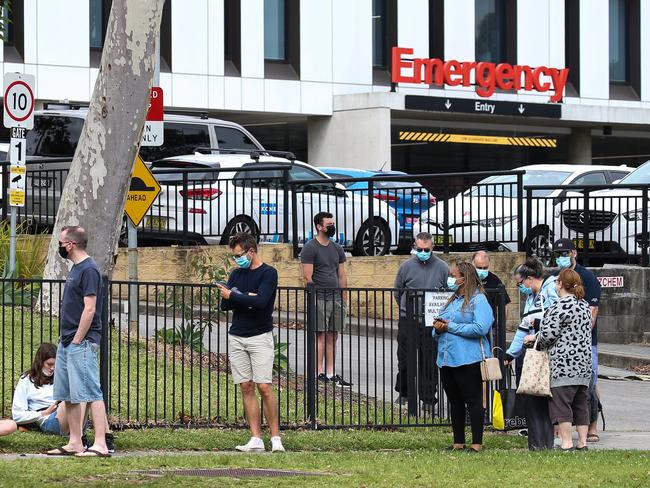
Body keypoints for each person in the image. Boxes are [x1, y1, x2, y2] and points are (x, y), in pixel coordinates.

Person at [47, 226, 111, 457]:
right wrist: (67, 341)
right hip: (67, 341)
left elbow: (90, 308)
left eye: (62, 242)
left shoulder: (89, 270)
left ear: (71, 245)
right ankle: (75, 442)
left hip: (80, 341)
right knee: (70, 394)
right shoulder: (76, 269)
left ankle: (101, 444)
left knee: (91, 391)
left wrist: (77, 340)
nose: (60, 246)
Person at [218, 233, 284, 453]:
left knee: (264, 386)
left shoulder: (268, 273)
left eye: (240, 255)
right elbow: (224, 305)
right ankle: (255, 438)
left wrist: (236, 296)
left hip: (259, 336)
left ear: (252, 251)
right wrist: (245, 297)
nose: (237, 260)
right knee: (246, 386)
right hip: (237, 335)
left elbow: (261, 302)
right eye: (235, 256)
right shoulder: (236, 274)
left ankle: (275, 437)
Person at [527, 269, 593, 451]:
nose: (555, 285)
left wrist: (535, 339)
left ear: (561, 285)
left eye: (557, 282)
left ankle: (566, 443)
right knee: (581, 405)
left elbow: (549, 335)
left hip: (564, 364)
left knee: (561, 405)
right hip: (584, 364)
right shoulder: (585, 305)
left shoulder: (559, 306)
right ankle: (582, 443)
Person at [432, 261, 494, 452]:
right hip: (447, 359)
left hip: (469, 359)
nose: (450, 279)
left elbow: (481, 328)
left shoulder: (479, 300)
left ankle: (477, 443)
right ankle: (458, 441)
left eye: (453, 275)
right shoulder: (452, 300)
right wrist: (438, 328)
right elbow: (440, 323)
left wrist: (450, 326)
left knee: (473, 401)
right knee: (455, 401)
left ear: (464, 277)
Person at [505, 257, 558, 450]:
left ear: (529, 278)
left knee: (542, 397)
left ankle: (544, 442)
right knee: (533, 396)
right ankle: (537, 443)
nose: (520, 287)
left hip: (547, 353)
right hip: (533, 353)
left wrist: (538, 326)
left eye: (520, 283)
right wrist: (511, 354)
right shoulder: (531, 298)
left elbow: (558, 320)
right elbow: (522, 329)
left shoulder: (551, 290)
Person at [552, 238, 602, 443]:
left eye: (564, 253)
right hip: (566, 345)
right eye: (558, 254)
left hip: (586, 343)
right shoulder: (556, 278)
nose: (561, 257)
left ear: (574, 253)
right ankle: (562, 429)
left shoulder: (587, 277)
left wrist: (577, 337)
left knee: (589, 385)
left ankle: (593, 425)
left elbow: (592, 311)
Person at [393, 232, 449, 407]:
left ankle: (428, 399)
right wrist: (405, 310)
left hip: (431, 321)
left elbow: (447, 292)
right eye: (419, 249)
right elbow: (398, 291)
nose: (423, 251)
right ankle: (404, 393)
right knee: (404, 359)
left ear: (432, 248)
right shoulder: (406, 266)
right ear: (415, 247)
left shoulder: (442, 267)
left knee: (429, 361)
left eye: (426, 249)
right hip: (408, 319)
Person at [300, 212, 351, 388]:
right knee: (320, 334)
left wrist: (344, 299)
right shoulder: (310, 247)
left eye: (333, 223)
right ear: (319, 226)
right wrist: (314, 299)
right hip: (319, 299)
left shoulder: (337, 248)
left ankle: (331, 373)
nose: (332, 227)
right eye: (328, 224)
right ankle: (318, 373)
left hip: (336, 298)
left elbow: (342, 275)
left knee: (333, 336)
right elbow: (307, 277)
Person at [0, 343, 71, 438]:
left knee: (83, 394)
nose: (52, 368)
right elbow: (17, 415)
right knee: (72, 400)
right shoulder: (26, 380)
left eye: (56, 365)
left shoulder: (60, 377)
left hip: (65, 413)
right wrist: (43, 413)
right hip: (48, 419)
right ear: (40, 362)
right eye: (49, 364)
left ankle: (90, 438)